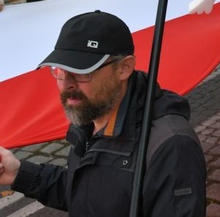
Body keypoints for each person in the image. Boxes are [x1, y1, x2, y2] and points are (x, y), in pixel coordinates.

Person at [0, 11, 206, 215]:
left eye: (82, 72)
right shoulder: (91, 117)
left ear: (124, 68)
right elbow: (88, 193)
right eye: (60, 71)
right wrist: (18, 173)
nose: (67, 85)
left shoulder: (171, 146)